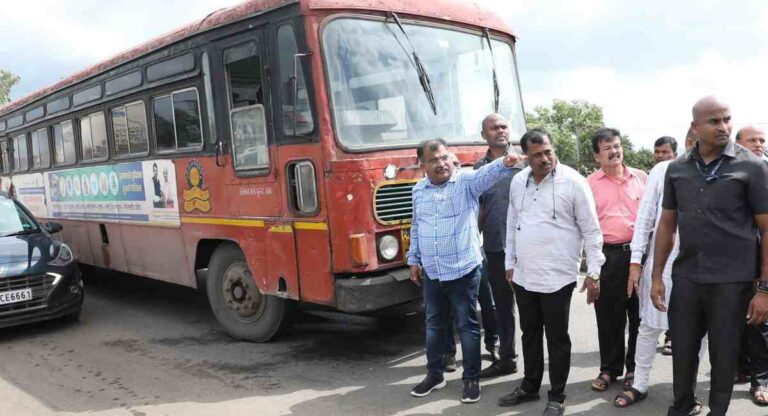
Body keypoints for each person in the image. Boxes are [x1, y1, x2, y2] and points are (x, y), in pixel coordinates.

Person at [652, 96, 768, 416]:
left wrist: (764, 289)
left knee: (724, 355)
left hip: (733, 281)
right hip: (688, 277)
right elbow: (667, 224)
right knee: (683, 353)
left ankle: (718, 411)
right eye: (714, 121)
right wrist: (656, 276)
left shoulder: (752, 166)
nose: (724, 127)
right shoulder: (677, 169)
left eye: (727, 120)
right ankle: (683, 406)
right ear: (695, 127)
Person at [496, 128, 604, 416]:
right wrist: (510, 262)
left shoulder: (574, 182)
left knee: (557, 338)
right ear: (526, 157)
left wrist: (594, 271)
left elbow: (592, 230)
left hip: (558, 276)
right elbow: (511, 223)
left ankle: (557, 395)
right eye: (537, 155)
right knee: (529, 333)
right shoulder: (519, 181)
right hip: (524, 275)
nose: (545, 158)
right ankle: (530, 387)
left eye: (548, 151)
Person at [407, 138, 523, 404]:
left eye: (445, 157)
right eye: (434, 160)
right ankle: (435, 375)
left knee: (468, 326)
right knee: (434, 325)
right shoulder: (418, 190)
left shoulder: (466, 183)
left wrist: (505, 163)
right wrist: (414, 258)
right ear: (422, 164)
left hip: (463, 270)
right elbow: (417, 226)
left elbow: (487, 173)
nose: (442, 163)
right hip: (433, 272)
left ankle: (471, 378)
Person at [614, 134, 706, 411]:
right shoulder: (664, 170)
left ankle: (686, 392)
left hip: (703, 268)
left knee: (697, 334)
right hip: (662, 265)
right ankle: (639, 383)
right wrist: (635, 263)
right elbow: (644, 219)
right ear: (690, 138)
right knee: (649, 327)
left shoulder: (723, 172)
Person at [587, 127, 648, 392]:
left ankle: (634, 369)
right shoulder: (589, 184)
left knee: (639, 317)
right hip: (607, 257)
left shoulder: (642, 178)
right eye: (607, 148)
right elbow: (584, 227)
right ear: (596, 156)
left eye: (617, 145)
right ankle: (609, 370)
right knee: (608, 317)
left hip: (639, 256)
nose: (614, 151)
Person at [442, 153, 500, 373]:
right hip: (451, 261)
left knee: (489, 303)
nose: (456, 169)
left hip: (478, 255)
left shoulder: (472, 189)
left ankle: (492, 344)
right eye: (452, 165)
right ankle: (448, 354)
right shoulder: (438, 195)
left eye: (458, 164)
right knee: (450, 309)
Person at [474, 113, 521, 378]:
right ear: (484, 135)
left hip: (527, 249)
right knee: (503, 308)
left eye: (504, 126)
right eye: (494, 128)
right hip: (495, 248)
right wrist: (474, 243)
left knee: (533, 309)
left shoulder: (526, 162)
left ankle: (538, 368)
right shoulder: (478, 170)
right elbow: (479, 209)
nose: (500, 131)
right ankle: (507, 359)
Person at [734, 125, 768, 405]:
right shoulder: (728, 173)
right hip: (732, 261)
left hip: (762, 258)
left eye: (762, 140)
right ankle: (741, 368)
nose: (758, 144)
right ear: (737, 144)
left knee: (759, 320)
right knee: (734, 318)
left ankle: (761, 379)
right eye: (752, 140)